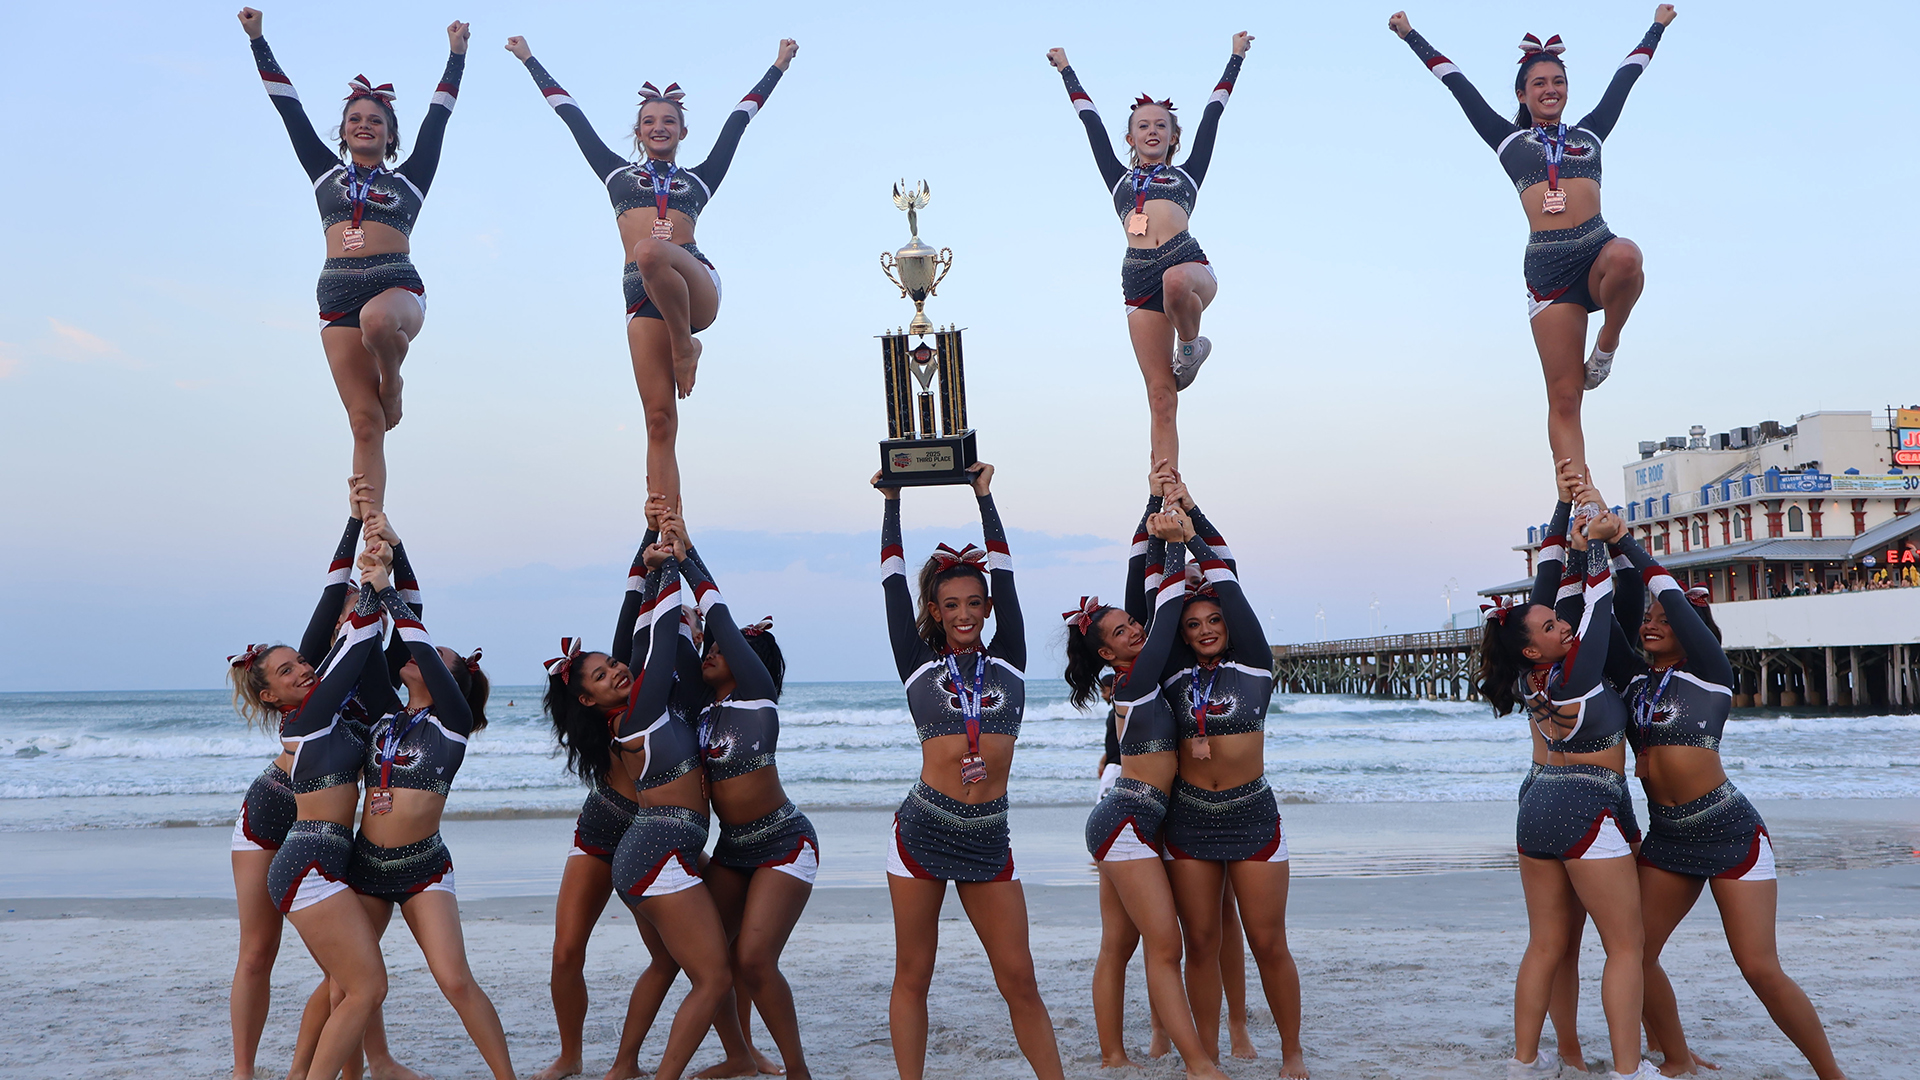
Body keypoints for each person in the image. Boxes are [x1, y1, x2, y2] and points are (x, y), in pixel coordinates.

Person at [1584, 511, 1849, 1079]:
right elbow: (1617, 609)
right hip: (1669, 837)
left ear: (1691, 628)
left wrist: (1630, 541)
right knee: (1635, 954)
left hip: (1729, 832)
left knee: (1759, 967)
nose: (1653, 623)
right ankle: (1677, 1060)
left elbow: (1676, 602)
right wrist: (1605, 548)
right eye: (1648, 619)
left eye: (1664, 618)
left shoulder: (1710, 671)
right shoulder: (1634, 679)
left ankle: (1832, 1074)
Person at [506, 34, 797, 509]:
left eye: (669, 121)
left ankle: (686, 344)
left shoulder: (700, 178)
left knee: (650, 250)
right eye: (649, 122)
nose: (658, 127)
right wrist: (528, 59)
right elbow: (569, 113)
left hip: (692, 283)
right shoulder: (617, 175)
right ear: (638, 132)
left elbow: (739, 120)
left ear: (682, 132)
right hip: (641, 298)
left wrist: (778, 65)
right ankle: (667, 523)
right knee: (659, 420)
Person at [1388, 6, 1677, 478]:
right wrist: (1410, 35)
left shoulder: (1589, 134)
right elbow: (1454, 81)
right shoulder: (1507, 140)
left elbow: (1628, 74)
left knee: (1628, 256)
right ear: (1523, 93)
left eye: (1557, 81)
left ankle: (1606, 345)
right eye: (1539, 83)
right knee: (1564, 398)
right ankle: (1579, 498)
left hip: (1596, 248)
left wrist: (1658, 26)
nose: (1550, 90)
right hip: (1549, 270)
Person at [873, 462, 1065, 1080]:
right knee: (914, 974)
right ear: (934, 606)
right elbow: (890, 583)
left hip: (988, 836)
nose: (964, 614)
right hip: (923, 831)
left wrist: (986, 498)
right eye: (951, 604)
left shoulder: (1009, 663)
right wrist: (892, 504)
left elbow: (1008, 576)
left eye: (974, 604)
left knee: (1020, 979)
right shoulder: (916, 664)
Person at [224, 488, 421, 1080]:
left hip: (323, 828)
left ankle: (366, 1062)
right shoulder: (308, 681)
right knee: (259, 951)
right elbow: (334, 591)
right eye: (287, 670)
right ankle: (243, 1073)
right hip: (271, 813)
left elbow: (408, 610)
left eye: (301, 664)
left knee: (350, 965)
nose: (302, 667)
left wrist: (385, 537)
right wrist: (353, 529)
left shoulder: (363, 680)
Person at [239, 7, 468, 513]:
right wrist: (258, 39)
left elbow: (439, 116)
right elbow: (288, 107)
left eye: (376, 121)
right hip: (336, 294)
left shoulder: (409, 179)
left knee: (379, 320)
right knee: (365, 425)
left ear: (390, 134)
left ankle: (394, 379)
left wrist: (456, 56)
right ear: (343, 131)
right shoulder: (324, 174)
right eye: (356, 120)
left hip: (396, 288)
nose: (365, 125)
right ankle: (370, 533)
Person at [1477, 479, 1659, 1080]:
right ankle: (1630, 1071)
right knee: (1625, 947)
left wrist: (1566, 513)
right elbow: (1601, 604)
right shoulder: (1576, 671)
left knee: (1548, 946)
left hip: (1536, 802)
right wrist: (1602, 540)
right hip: (1589, 805)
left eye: (1559, 623)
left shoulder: (1532, 677)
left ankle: (1524, 1062)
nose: (1562, 625)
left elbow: (1547, 589)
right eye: (1552, 627)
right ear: (1536, 649)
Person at [1064, 493, 1234, 1080]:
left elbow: (1153, 607)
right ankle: (1197, 1065)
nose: (1135, 627)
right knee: (1165, 948)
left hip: (1130, 820)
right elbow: (1161, 612)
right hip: (1128, 822)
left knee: (1120, 944)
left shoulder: (1146, 669)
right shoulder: (1133, 680)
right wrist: (1163, 537)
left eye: (1132, 622)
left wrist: (1153, 511)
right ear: (1107, 652)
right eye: (1120, 629)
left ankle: (1116, 1054)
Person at [340, 511, 514, 1080]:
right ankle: (364, 1067)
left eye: (440, 658)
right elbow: (375, 647)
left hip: (422, 869)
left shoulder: (452, 724)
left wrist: (390, 596)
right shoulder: (386, 718)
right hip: (366, 865)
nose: (423, 653)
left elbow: (415, 631)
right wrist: (390, 548)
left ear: (449, 682)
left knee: (455, 980)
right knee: (348, 981)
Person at [1145, 485, 1308, 1079]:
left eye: (1215, 620)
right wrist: (1157, 514)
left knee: (1268, 944)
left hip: (1252, 816)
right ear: (1182, 632)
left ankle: (1291, 1052)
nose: (1208, 628)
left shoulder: (1254, 664)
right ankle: (1206, 1056)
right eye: (1194, 623)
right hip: (1190, 819)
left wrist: (1193, 522)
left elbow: (1230, 583)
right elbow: (1154, 596)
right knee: (1202, 944)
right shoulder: (1172, 673)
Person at [1046, 33, 1253, 473]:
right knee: (1161, 396)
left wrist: (1235, 59)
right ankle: (1164, 487)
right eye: (1144, 125)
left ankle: (1191, 346)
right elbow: (1090, 123)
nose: (1152, 130)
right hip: (1137, 279)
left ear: (1174, 136)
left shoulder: (1189, 176)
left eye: (1161, 125)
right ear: (1131, 137)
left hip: (1187, 265)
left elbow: (1214, 112)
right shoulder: (1119, 180)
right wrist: (1066, 69)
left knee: (1175, 281)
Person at [683, 553, 816, 1080]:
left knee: (755, 961)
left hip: (784, 842)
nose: (712, 653)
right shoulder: (699, 711)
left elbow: (718, 618)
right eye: (709, 649)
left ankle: (797, 1070)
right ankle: (740, 1055)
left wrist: (689, 554)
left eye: (723, 649)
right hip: (733, 848)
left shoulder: (757, 698)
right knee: (710, 963)